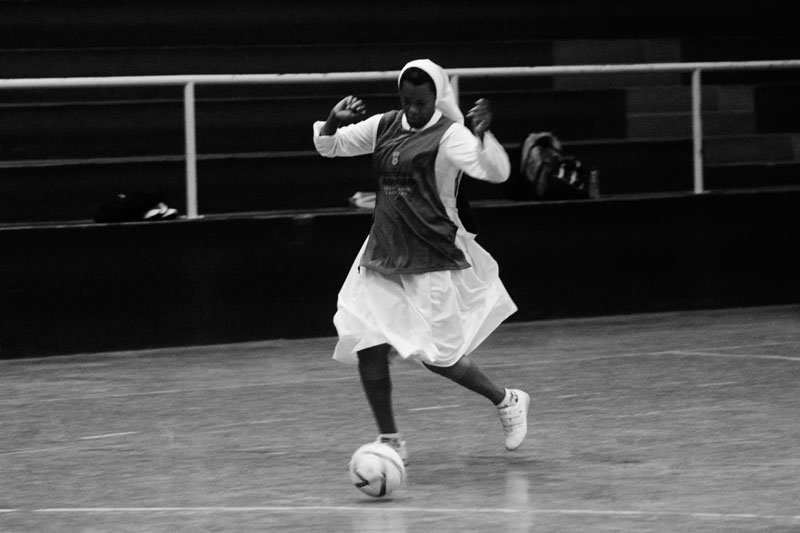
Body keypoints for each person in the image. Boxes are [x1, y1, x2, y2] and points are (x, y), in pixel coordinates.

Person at [313, 59, 529, 464]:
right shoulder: (384, 125)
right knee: (367, 344)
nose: (413, 109)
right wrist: (331, 120)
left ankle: (507, 399)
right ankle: (390, 439)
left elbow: (495, 173)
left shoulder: (451, 137)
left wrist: (484, 136)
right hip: (381, 253)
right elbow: (331, 146)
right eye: (407, 101)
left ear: (438, 98)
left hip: (430, 255)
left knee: (441, 358)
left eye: (421, 102)